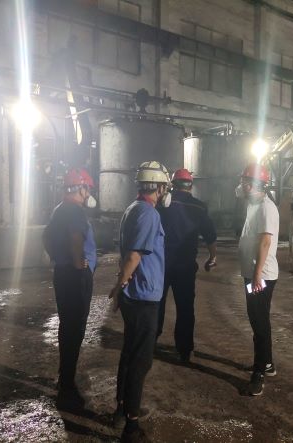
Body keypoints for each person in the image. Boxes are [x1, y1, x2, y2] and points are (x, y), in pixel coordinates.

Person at [108, 161, 171, 443]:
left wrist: (121, 287)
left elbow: (126, 254)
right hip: (144, 297)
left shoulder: (132, 209)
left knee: (129, 353)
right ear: (158, 187)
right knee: (140, 361)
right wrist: (119, 285)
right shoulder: (149, 214)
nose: (165, 192)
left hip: (134, 294)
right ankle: (131, 426)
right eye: (165, 187)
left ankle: (121, 409)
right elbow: (134, 255)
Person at [43, 168, 97, 407]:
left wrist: (58, 257)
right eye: (87, 189)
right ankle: (67, 386)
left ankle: (65, 376)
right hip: (75, 277)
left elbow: (45, 237)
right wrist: (78, 263)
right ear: (81, 188)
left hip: (62, 274)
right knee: (75, 329)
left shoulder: (58, 209)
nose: (89, 194)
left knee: (67, 326)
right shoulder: (75, 211)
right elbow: (76, 238)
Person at [156, 168, 217, 363]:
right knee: (185, 308)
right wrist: (212, 256)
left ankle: (150, 342)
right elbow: (210, 235)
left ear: (172, 185)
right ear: (191, 185)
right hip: (185, 267)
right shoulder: (199, 207)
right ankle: (184, 350)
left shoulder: (162, 203)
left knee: (157, 304)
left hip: (162, 265)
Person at [236, 163, 279, 396]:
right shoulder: (254, 203)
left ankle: (259, 374)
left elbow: (265, 242)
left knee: (258, 322)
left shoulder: (266, 208)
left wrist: (256, 275)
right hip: (253, 273)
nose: (242, 186)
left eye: (246, 182)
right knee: (259, 318)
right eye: (243, 182)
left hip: (260, 276)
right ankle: (268, 363)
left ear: (257, 185)